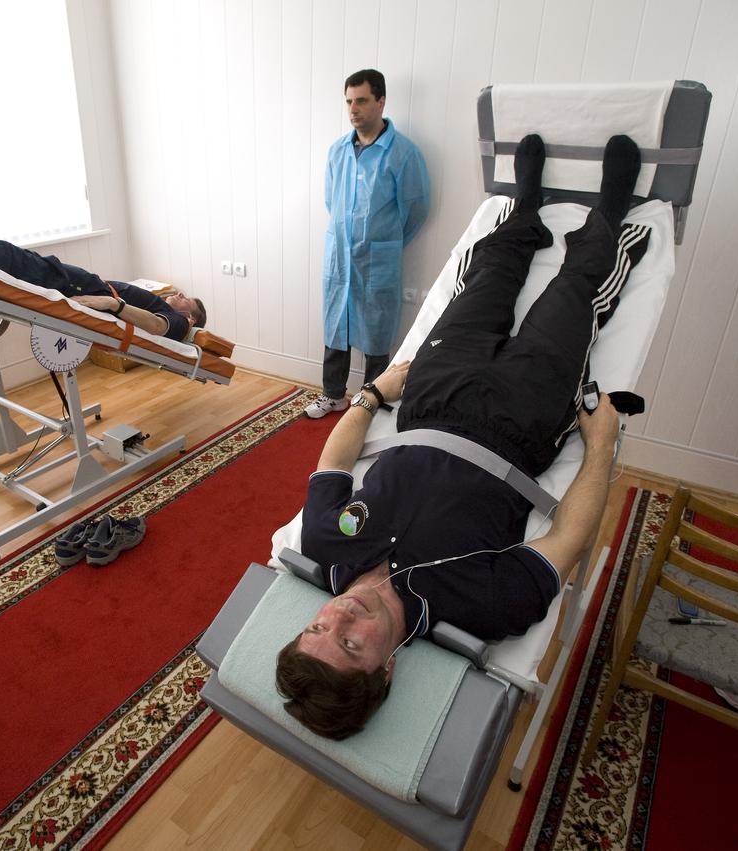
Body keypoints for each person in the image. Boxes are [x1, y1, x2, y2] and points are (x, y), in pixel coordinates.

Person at [275, 134, 652, 740]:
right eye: (350, 643)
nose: (340, 615)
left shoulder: (325, 543)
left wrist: (374, 394)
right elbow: (571, 538)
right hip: (523, 423)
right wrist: (601, 446)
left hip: (428, 398)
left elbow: (334, 459)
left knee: (484, 280)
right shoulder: (485, 607)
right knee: (575, 292)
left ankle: (524, 209)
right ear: (387, 668)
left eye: (318, 628)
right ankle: (611, 210)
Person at [0, 197, 205, 342]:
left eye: (187, 299)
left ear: (191, 317)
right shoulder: (166, 305)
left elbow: (160, 329)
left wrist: (114, 304)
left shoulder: (178, 324)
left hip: (86, 290)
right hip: (84, 285)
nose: (180, 295)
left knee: (3, 258)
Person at [306, 69, 430, 419]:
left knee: (377, 329)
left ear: (381, 101)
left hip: (378, 257)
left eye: (361, 100)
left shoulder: (403, 154)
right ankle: (333, 394)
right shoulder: (337, 151)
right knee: (336, 324)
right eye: (348, 101)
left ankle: (371, 402)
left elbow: (416, 208)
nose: (353, 109)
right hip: (339, 255)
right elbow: (333, 202)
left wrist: (383, 241)